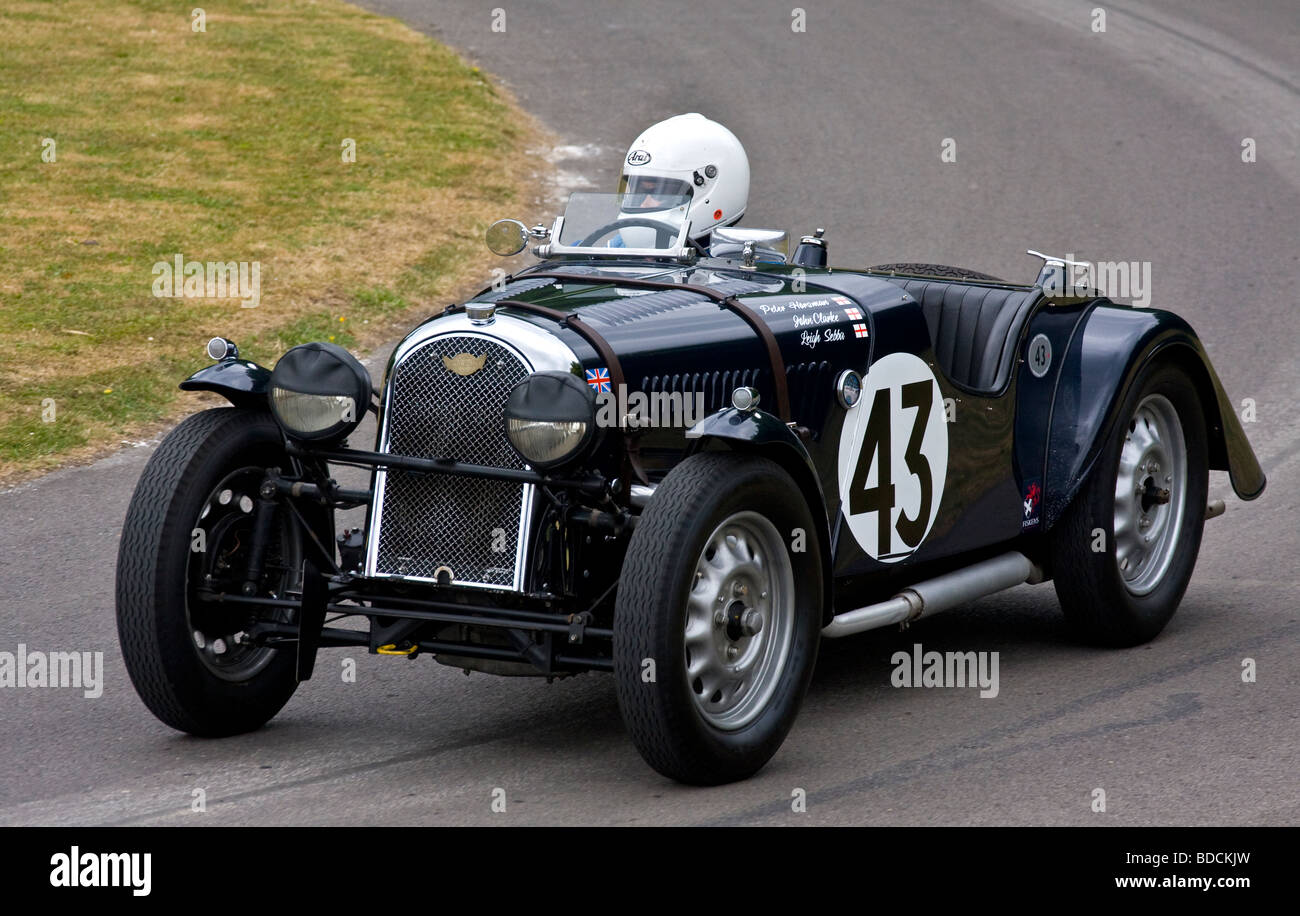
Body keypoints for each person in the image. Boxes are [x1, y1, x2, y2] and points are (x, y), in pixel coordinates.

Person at [613, 113, 750, 248]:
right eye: (639, 191)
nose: (644, 204)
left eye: (661, 192)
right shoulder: (618, 248)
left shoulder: (741, 262)